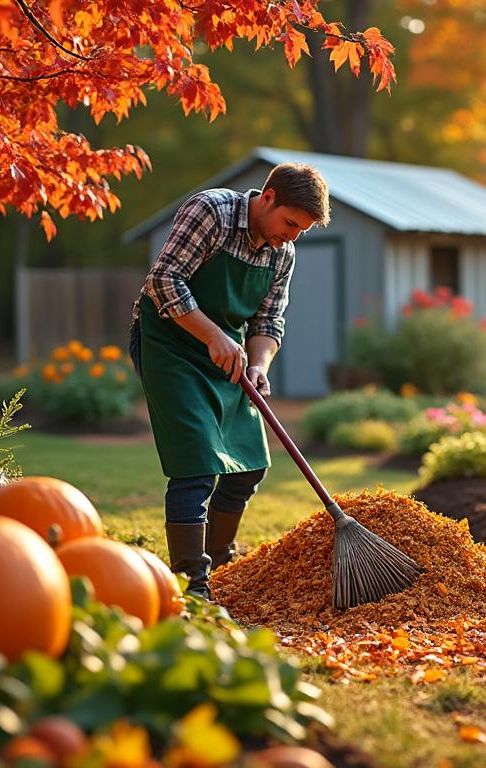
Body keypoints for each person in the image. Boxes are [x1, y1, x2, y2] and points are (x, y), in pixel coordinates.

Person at [128, 162, 330, 599]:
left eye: (302, 231)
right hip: (170, 347)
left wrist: (259, 366)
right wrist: (214, 336)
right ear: (268, 197)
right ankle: (192, 584)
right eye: (290, 224)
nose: (292, 236)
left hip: (228, 357)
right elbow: (163, 280)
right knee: (196, 464)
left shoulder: (281, 252)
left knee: (249, 465)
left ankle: (220, 565)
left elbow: (268, 320)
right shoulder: (212, 212)